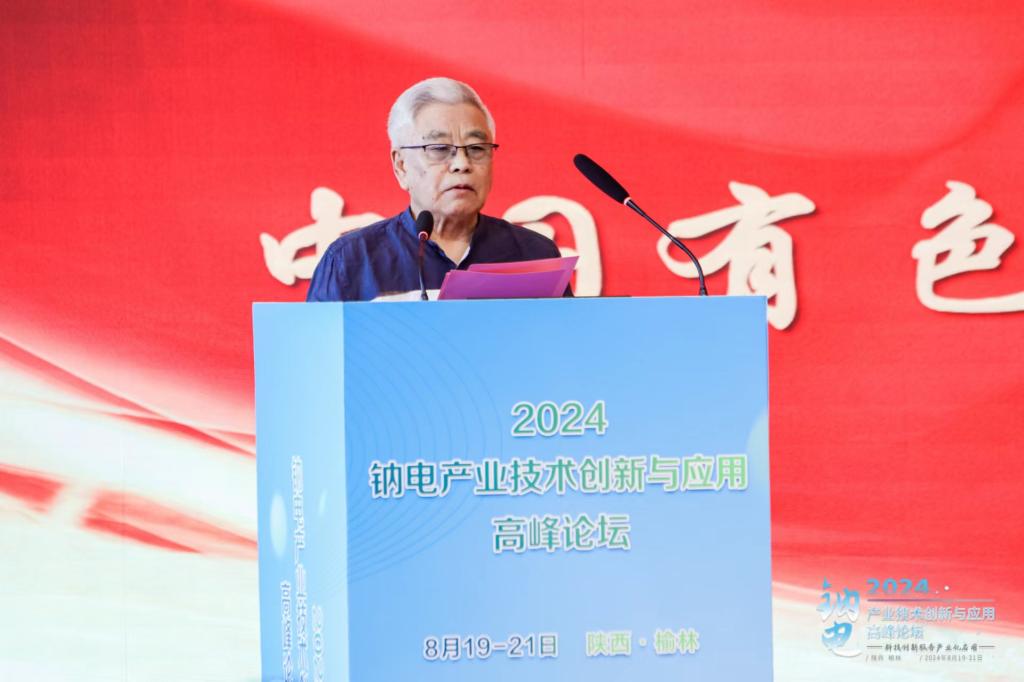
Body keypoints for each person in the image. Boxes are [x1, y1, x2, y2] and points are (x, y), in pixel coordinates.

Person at [306, 77, 567, 301]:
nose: (462, 164)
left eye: (476, 148)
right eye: (440, 149)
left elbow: (561, 342)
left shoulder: (534, 255)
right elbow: (319, 345)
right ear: (401, 166)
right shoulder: (352, 261)